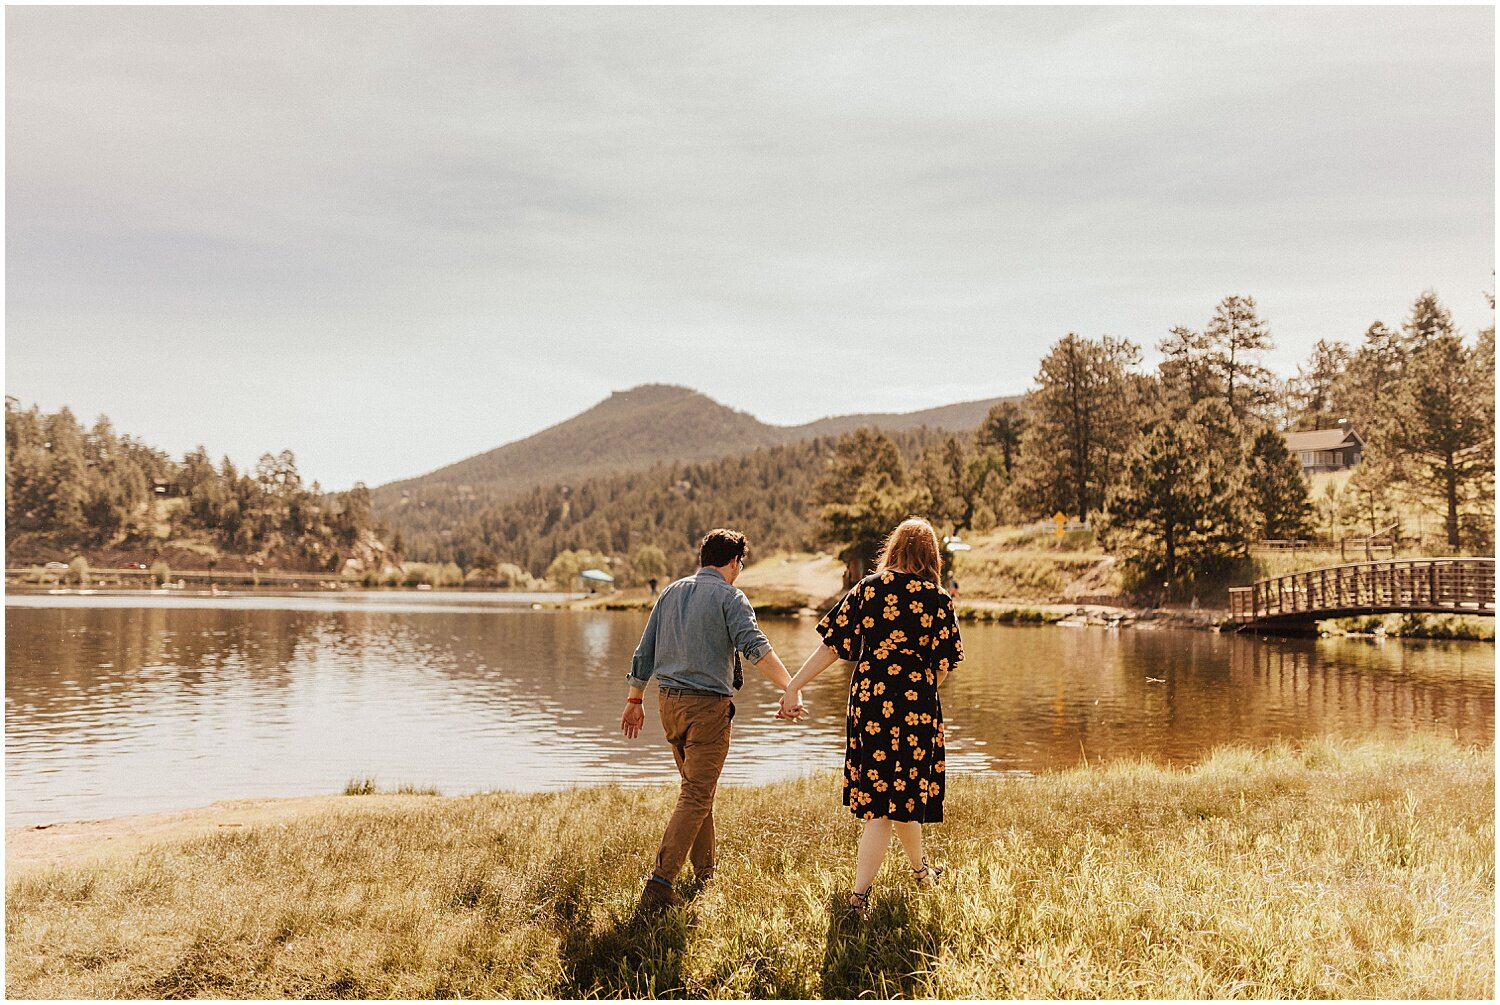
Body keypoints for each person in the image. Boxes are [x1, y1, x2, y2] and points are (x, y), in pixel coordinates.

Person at [779, 517, 963, 920]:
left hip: (871, 701)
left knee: (888, 800)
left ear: (893, 548)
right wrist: (916, 684)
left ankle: (919, 872)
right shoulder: (938, 599)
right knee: (900, 799)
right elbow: (942, 668)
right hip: (916, 705)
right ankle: (860, 897)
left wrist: (793, 685)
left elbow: (831, 646)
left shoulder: (868, 589)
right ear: (931, 555)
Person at [621, 528, 801, 911]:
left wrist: (635, 697)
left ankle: (706, 873)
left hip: (668, 704)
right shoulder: (730, 596)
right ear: (735, 561)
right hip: (707, 709)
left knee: (698, 789)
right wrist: (791, 686)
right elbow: (756, 648)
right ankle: (659, 884)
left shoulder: (670, 592)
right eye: (742, 564)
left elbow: (645, 650)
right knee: (697, 793)